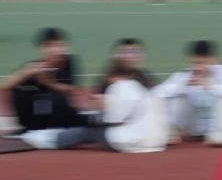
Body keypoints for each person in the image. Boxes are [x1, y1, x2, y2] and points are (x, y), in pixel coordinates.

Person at [19, 58, 169, 153]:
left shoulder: (120, 86)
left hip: (134, 141)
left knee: (85, 132)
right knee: (91, 128)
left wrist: (98, 109)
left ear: (111, 76)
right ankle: (48, 137)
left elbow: (113, 120)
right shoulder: (143, 89)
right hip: (157, 141)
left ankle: (44, 140)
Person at [154, 40, 222, 146]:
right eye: (194, 63)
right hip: (195, 127)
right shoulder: (183, 75)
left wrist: (211, 87)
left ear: (213, 61)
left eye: (203, 63)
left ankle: (220, 136)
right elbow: (157, 92)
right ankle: (170, 133)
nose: (198, 67)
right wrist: (181, 87)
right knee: (175, 96)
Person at [1, 28, 88, 132]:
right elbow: (4, 85)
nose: (57, 50)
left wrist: (49, 83)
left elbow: (72, 91)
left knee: (56, 99)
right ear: (41, 49)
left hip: (62, 116)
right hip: (37, 118)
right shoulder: (34, 67)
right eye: (50, 46)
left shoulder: (69, 62)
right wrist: (24, 73)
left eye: (60, 45)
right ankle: (32, 126)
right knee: (19, 91)